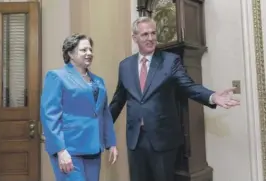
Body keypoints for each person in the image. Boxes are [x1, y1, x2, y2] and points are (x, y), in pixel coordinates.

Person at [109, 16, 240, 181]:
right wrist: (100, 126)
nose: (150, 38)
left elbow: (189, 86)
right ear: (134, 38)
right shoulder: (125, 65)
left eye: (153, 33)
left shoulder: (170, 61)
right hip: (135, 141)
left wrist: (212, 96)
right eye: (144, 35)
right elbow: (118, 101)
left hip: (162, 140)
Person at [40, 33, 118, 181]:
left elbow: (104, 113)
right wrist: (60, 150)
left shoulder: (99, 81)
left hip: (94, 148)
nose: (89, 53)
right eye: (83, 50)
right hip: (69, 150)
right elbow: (49, 115)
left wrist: (111, 143)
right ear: (70, 53)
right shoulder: (57, 77)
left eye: (90, 50)